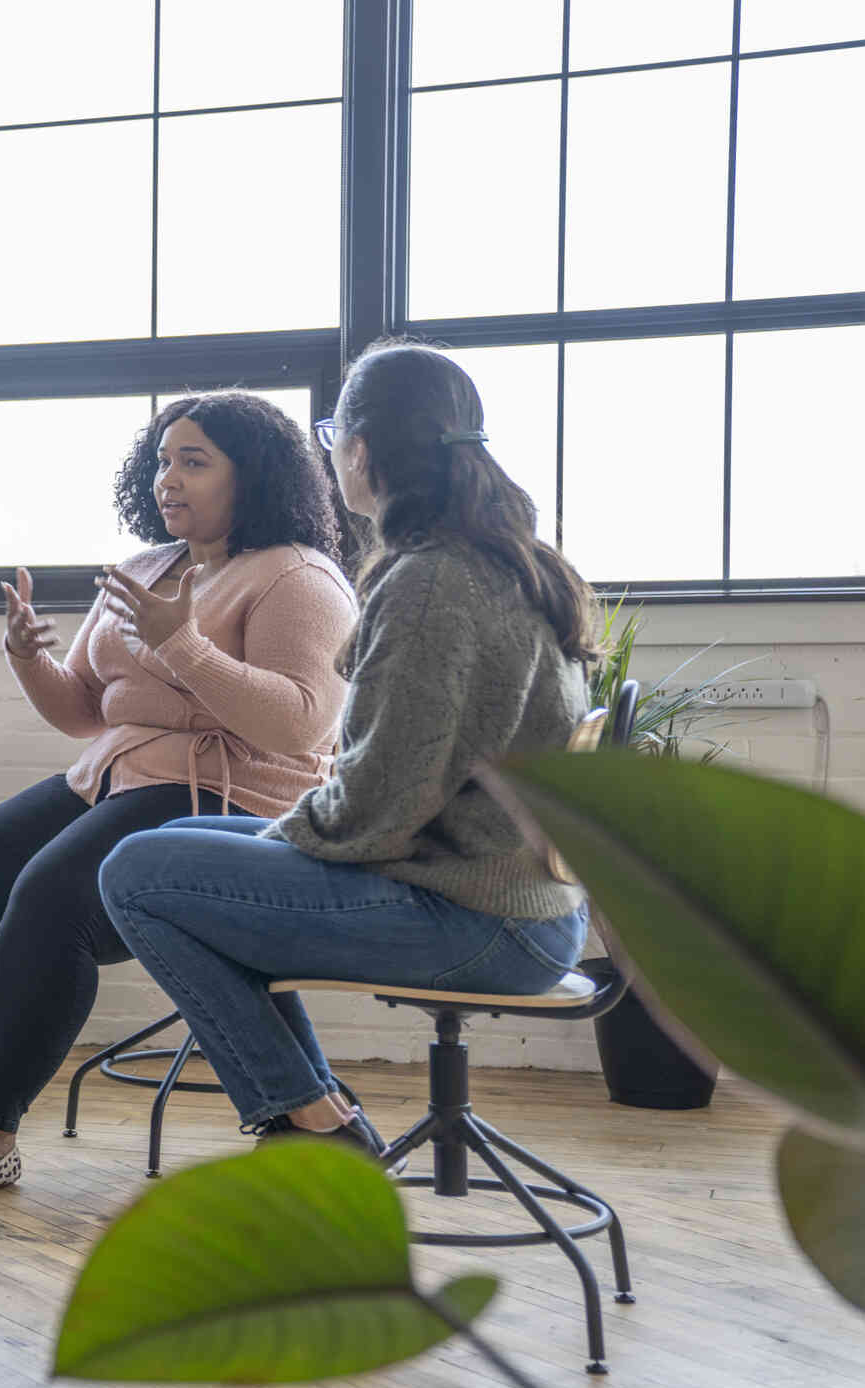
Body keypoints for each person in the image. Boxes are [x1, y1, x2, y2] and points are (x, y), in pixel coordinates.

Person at [98, 341, 596, 1148]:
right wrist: (270, 844)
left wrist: (279, 842)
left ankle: (307, 1121)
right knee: (178, 841)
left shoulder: (429, 582)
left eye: (332, 434)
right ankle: (312, 1110)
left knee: (135, 872)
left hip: (477, 917)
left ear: (358, 450)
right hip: (516, 899)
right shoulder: (499, 557)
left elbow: (374, 811)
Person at [0, 391, 358, 1202]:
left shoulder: (297, 577)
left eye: (192, 461)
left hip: (231, 796)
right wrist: (27, 658)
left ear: (251, 477)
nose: (165, 480)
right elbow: (82, 711)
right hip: (114, 777)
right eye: (159, 460)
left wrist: (180, 645)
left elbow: (300, 724)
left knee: (49, 901)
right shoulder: (149, 567)